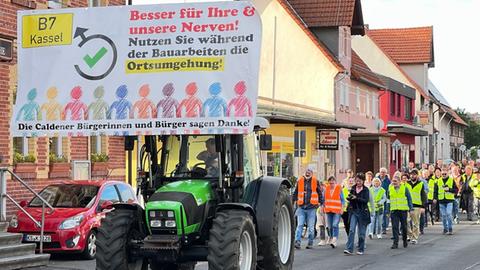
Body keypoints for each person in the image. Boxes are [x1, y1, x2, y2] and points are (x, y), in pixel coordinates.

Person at [293, 167, 323, 249]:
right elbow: (295, 193)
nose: (308, 173)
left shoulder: (315, 181)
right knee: (299, 226)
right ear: (304, 172)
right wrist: (293, 202)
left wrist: (321, 203)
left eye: (309, 171)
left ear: (312, 173)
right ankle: (297, 242)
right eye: (306, 171)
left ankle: (310, 243)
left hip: (311, 208)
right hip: (301, 207)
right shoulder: (299, 181)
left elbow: (320, 193)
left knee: (311, 227)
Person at [344, 173, 370, 255]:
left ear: (363, 181)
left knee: (361, 233)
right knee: (351, 230)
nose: (358, 183)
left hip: (363, 212)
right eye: (357, 181)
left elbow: (365, 200)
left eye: (360, 181)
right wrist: (349, 198)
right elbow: (350, 197)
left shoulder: (366, 190)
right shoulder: (353, 188)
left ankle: (360, 249)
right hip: (354, 211)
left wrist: (356, 198)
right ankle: (349, 249)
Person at [389, 175, 413, 249]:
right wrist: (387, 210)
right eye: (393, 181)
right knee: (395, 227)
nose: (394, 183)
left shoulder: (405, 188)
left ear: (399, 182)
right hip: (394, 210)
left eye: (395, 181)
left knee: (404, 227)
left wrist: (411, 208)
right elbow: (388, 200)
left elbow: (409, 199)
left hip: (403, 210)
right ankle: (395, 243)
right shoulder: (390, 189)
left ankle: (404, 240)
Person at [435, 166, 458, 235]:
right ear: (441, 173)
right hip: (441, 200)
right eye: (443, 173)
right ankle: (445, 228)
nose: (444, 175)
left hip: (449, 200)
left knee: (448, 214)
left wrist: (449, 189)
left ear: (448, 173)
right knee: (444, 216)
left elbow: (456, 190)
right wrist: (435, 198)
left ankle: (450, 228)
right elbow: (435, 191)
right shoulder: (438, 181)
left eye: (445, 173)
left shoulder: (451, 180)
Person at [406, 169, 426, 244]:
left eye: (414, 174)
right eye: (411, 174)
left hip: (417, 205)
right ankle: (409, 234)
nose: (412, 176)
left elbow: (423, 195)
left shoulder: (421, 184)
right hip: (407, 205)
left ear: (417, 175)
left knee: (415, 223)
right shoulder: (406, 184)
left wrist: (423, 207)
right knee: (406, 221)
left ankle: (414, 237)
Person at [323, 176, 344, 248]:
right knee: (330, 227)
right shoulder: (326, 189)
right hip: (328, 210)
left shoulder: (339, 188)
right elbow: (324, 199)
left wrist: (342, 208)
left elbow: (342, 200)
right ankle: (331, 237)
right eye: (330, 183)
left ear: (335, 182)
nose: (331, 184)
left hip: (337, 210)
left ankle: (334, 240)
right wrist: (322, 207)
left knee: (335, 225)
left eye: (333, 182)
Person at [379, 167, 391, 234]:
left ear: (386, 173)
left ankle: (384, 228)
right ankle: (377, 228)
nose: (382, 173)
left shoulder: (388, 181)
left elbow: (389, 190)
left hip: (385, 199)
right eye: (381, 172)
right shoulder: (377, 179)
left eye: (384, 172)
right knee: (377, 214)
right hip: (377, 199)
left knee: (385, 213)